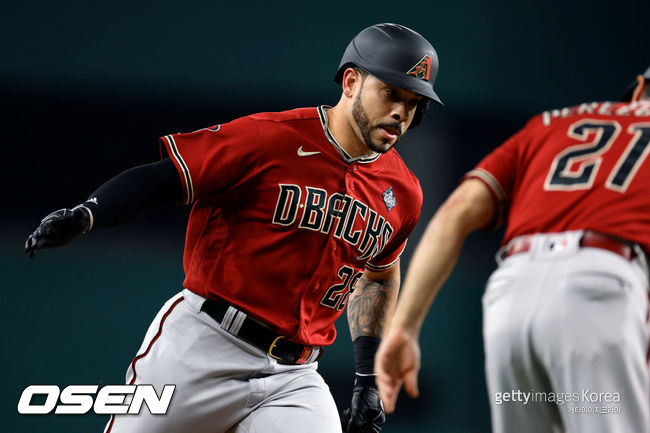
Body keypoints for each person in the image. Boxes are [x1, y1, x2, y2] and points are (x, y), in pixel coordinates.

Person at [24, 23, 442, 433]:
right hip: (203, 345)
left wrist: (366, 377)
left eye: (413, 103)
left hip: (292, 376)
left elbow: (379, 276)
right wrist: (89, 213)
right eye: (391, 93)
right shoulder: (269, 138)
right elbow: (161, 178)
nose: (401, 112)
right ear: (351, 81)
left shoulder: (403, 192)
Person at [375, 65, 650, 433]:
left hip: (510, 294)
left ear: (639, 90)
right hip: (600, 289)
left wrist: (404, 327)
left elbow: (455, 214)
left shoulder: (551, 123)